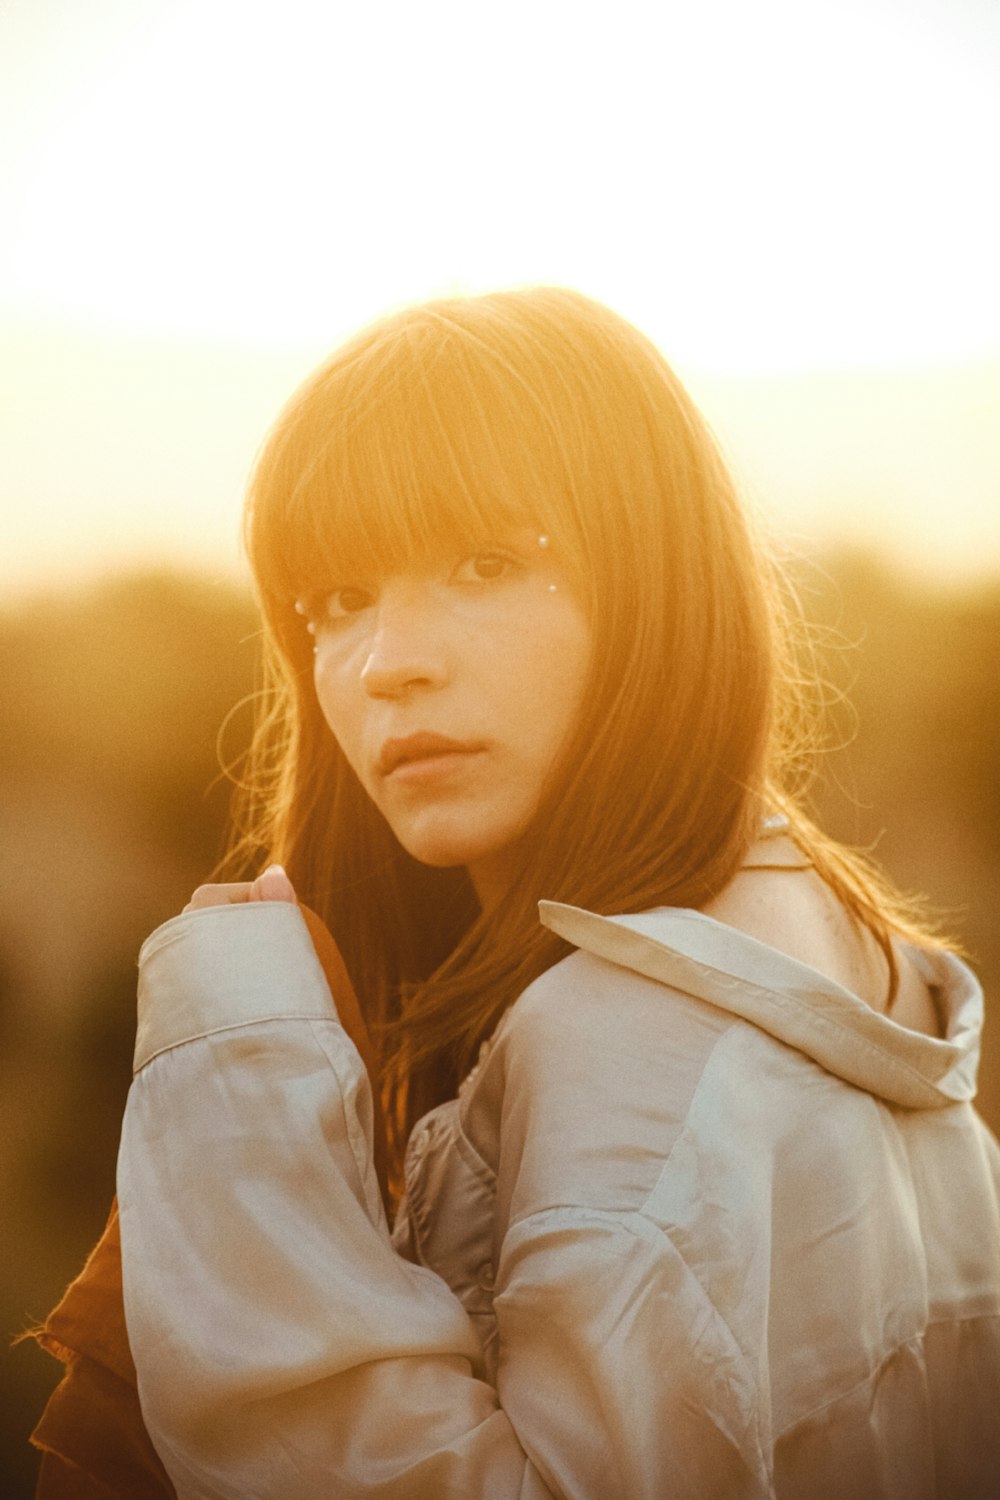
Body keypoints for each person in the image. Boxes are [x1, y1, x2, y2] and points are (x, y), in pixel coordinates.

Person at [44, 288, 1000, 1496]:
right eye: (337, 600)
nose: (391, 663)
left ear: (655, 590)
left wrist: (239, 1125)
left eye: (486, 564)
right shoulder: (856, 977)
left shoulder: (629, 1038)